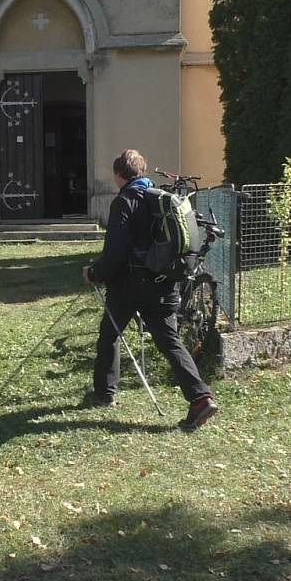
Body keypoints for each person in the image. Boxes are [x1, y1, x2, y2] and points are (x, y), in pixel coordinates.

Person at [82, 149, 218, 431]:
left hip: (129, 286)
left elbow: (116, 251)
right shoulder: (161, 199)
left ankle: (104, 393)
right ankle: (200, 398)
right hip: (165, 282)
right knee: (170, 342)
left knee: (110, 334)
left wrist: (95, 273)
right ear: (141, 172)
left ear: (119, 175)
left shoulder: (125, 202)